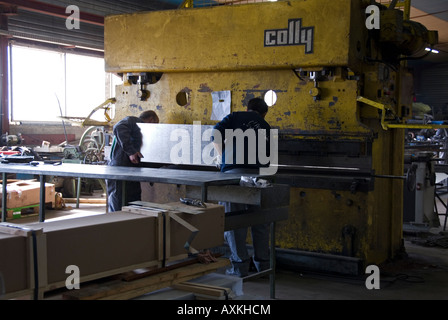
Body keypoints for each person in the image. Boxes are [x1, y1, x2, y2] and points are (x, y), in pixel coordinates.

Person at [212, 97, 271, 277]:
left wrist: (222, 157)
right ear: (263, 113)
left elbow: (215, 134)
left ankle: (240, 267)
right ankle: (263, 267)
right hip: (258, 176)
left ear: (247, 109)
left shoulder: (235, 116)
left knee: (234, 221)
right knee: (259, 220)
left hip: (234, 174)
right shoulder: (266, 126)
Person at [106, 110, 159, 212]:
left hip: (131, 171)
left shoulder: (138, 129)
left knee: (134, 204)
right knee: (118, 205)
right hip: (119, 171)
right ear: (152, 120)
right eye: (155, 124)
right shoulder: (134, 121)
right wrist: (131, 152)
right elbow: (118, 127)